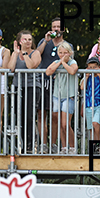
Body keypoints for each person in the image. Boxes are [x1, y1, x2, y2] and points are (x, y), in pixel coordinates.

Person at [37, 17, 73, 153]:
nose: (56, 29)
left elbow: (70, 63)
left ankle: (53, 144)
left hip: (58, 84)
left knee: (55, 115)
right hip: (43, 81)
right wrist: (45, 41)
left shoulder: (67, 45)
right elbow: (36, 55)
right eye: (54, 27)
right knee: (41, 114)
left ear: (63, 29)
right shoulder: (44, 42)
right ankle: (43, 144)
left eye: (59, 27)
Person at [8, 30, 42, 154]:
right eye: (24, 39)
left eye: (29, 39)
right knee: (20, 117)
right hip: (18, 87)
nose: (27, 42)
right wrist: (16, 53)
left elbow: (30, 66)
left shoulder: (35, 53)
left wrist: (25, 53)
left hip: (32, 87)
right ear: (19, 41)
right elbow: (11, 69)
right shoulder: (15, 53)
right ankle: (23, 145)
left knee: (29, 116)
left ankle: (31, 145)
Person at [45, 41, 78, 154]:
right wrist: (60, 62)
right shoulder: (56, 62)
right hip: (57, 96)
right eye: (61, 53)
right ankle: (64, 147)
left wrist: (64, 63)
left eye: (65, 53)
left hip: (69, 96)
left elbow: (72, 71)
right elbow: (48, 72)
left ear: (70, 53)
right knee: (59, 123)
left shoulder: (72, 62)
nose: (63, 55)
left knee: (65, 124)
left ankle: (72, 147)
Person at [81, 57, 100, 147]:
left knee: (95, 123)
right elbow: (82, 87)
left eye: (95, 67)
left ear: (99, 67)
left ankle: (99, 142)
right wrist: (86, 76)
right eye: (90, 67)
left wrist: (99, 75)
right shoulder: (87, 78)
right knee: (91, 127)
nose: (93, 69)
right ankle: (94, 144)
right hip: (88, 105)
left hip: (98, 104)